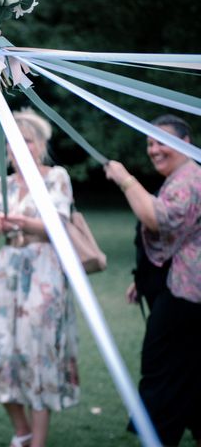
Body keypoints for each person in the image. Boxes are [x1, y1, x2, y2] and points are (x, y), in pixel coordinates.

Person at [0, 108, 79, 447]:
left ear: (40, 144)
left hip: (44, 269)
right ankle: (22, 431)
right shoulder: (1, 183)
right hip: (9, 269)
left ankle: (37, 441)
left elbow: (60, 225)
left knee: (38, 350)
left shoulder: (57, 178)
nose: (18, 147)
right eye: (13, 142)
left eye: (26, 140)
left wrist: (24, 223)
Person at [105, 114, 201, 447]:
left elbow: (158, 218)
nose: (153, 150)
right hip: (178, 290)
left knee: (162, 370)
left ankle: (157, 436)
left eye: (161, 141)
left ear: (184, 143)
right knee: (188, 371)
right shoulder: (181, 177)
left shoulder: (190, 178)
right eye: (149, 143)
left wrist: (125, 179)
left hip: (185, 298)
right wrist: (143, 278)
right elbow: (182, 238)